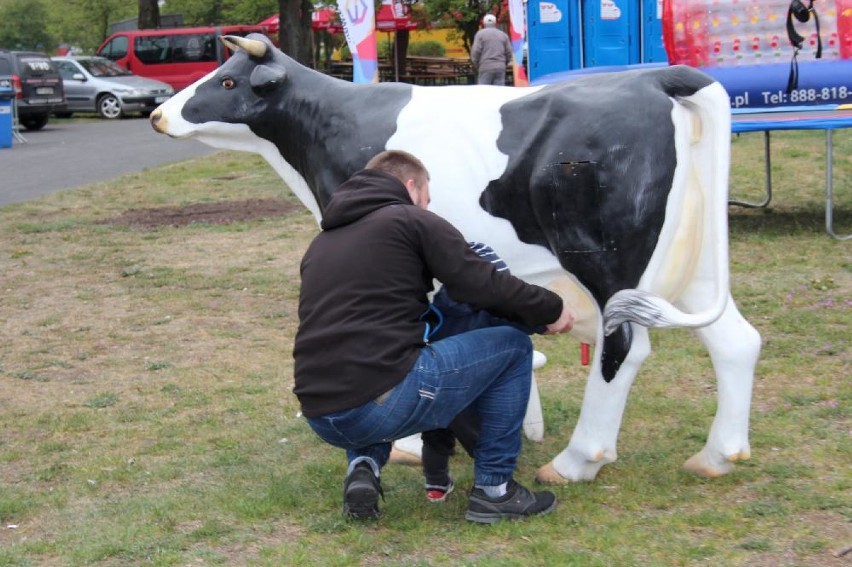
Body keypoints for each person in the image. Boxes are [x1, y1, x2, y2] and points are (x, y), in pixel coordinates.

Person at [293, 149, 574, 523]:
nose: (427, 207)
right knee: (511, 346)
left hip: (321, 413)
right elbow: (480, 282)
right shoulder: (410, 220)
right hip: (376, 402)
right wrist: (550, 308)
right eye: (426, 199)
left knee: (374, 362)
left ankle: (363, 465)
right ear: (411, 187)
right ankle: (496, 491)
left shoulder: (322, 244)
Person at [419, 242, 546, 504]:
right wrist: (545, 321)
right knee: (487, 439)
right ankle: (492, 486)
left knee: (435, 438)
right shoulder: (499, 313)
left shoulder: (440, 310)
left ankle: (436, 483)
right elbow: (529, 321)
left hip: (441, 390)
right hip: (477, 394)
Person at [470, 13, 514, 86]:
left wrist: (477, 65)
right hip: (500, 67)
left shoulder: (480, 34)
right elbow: (509, 53)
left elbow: (475, 52)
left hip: (485, 66)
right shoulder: (503, 35)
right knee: (498, 92)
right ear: (495, 23)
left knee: (485, 92)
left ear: (484, 23)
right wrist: (504, 63)